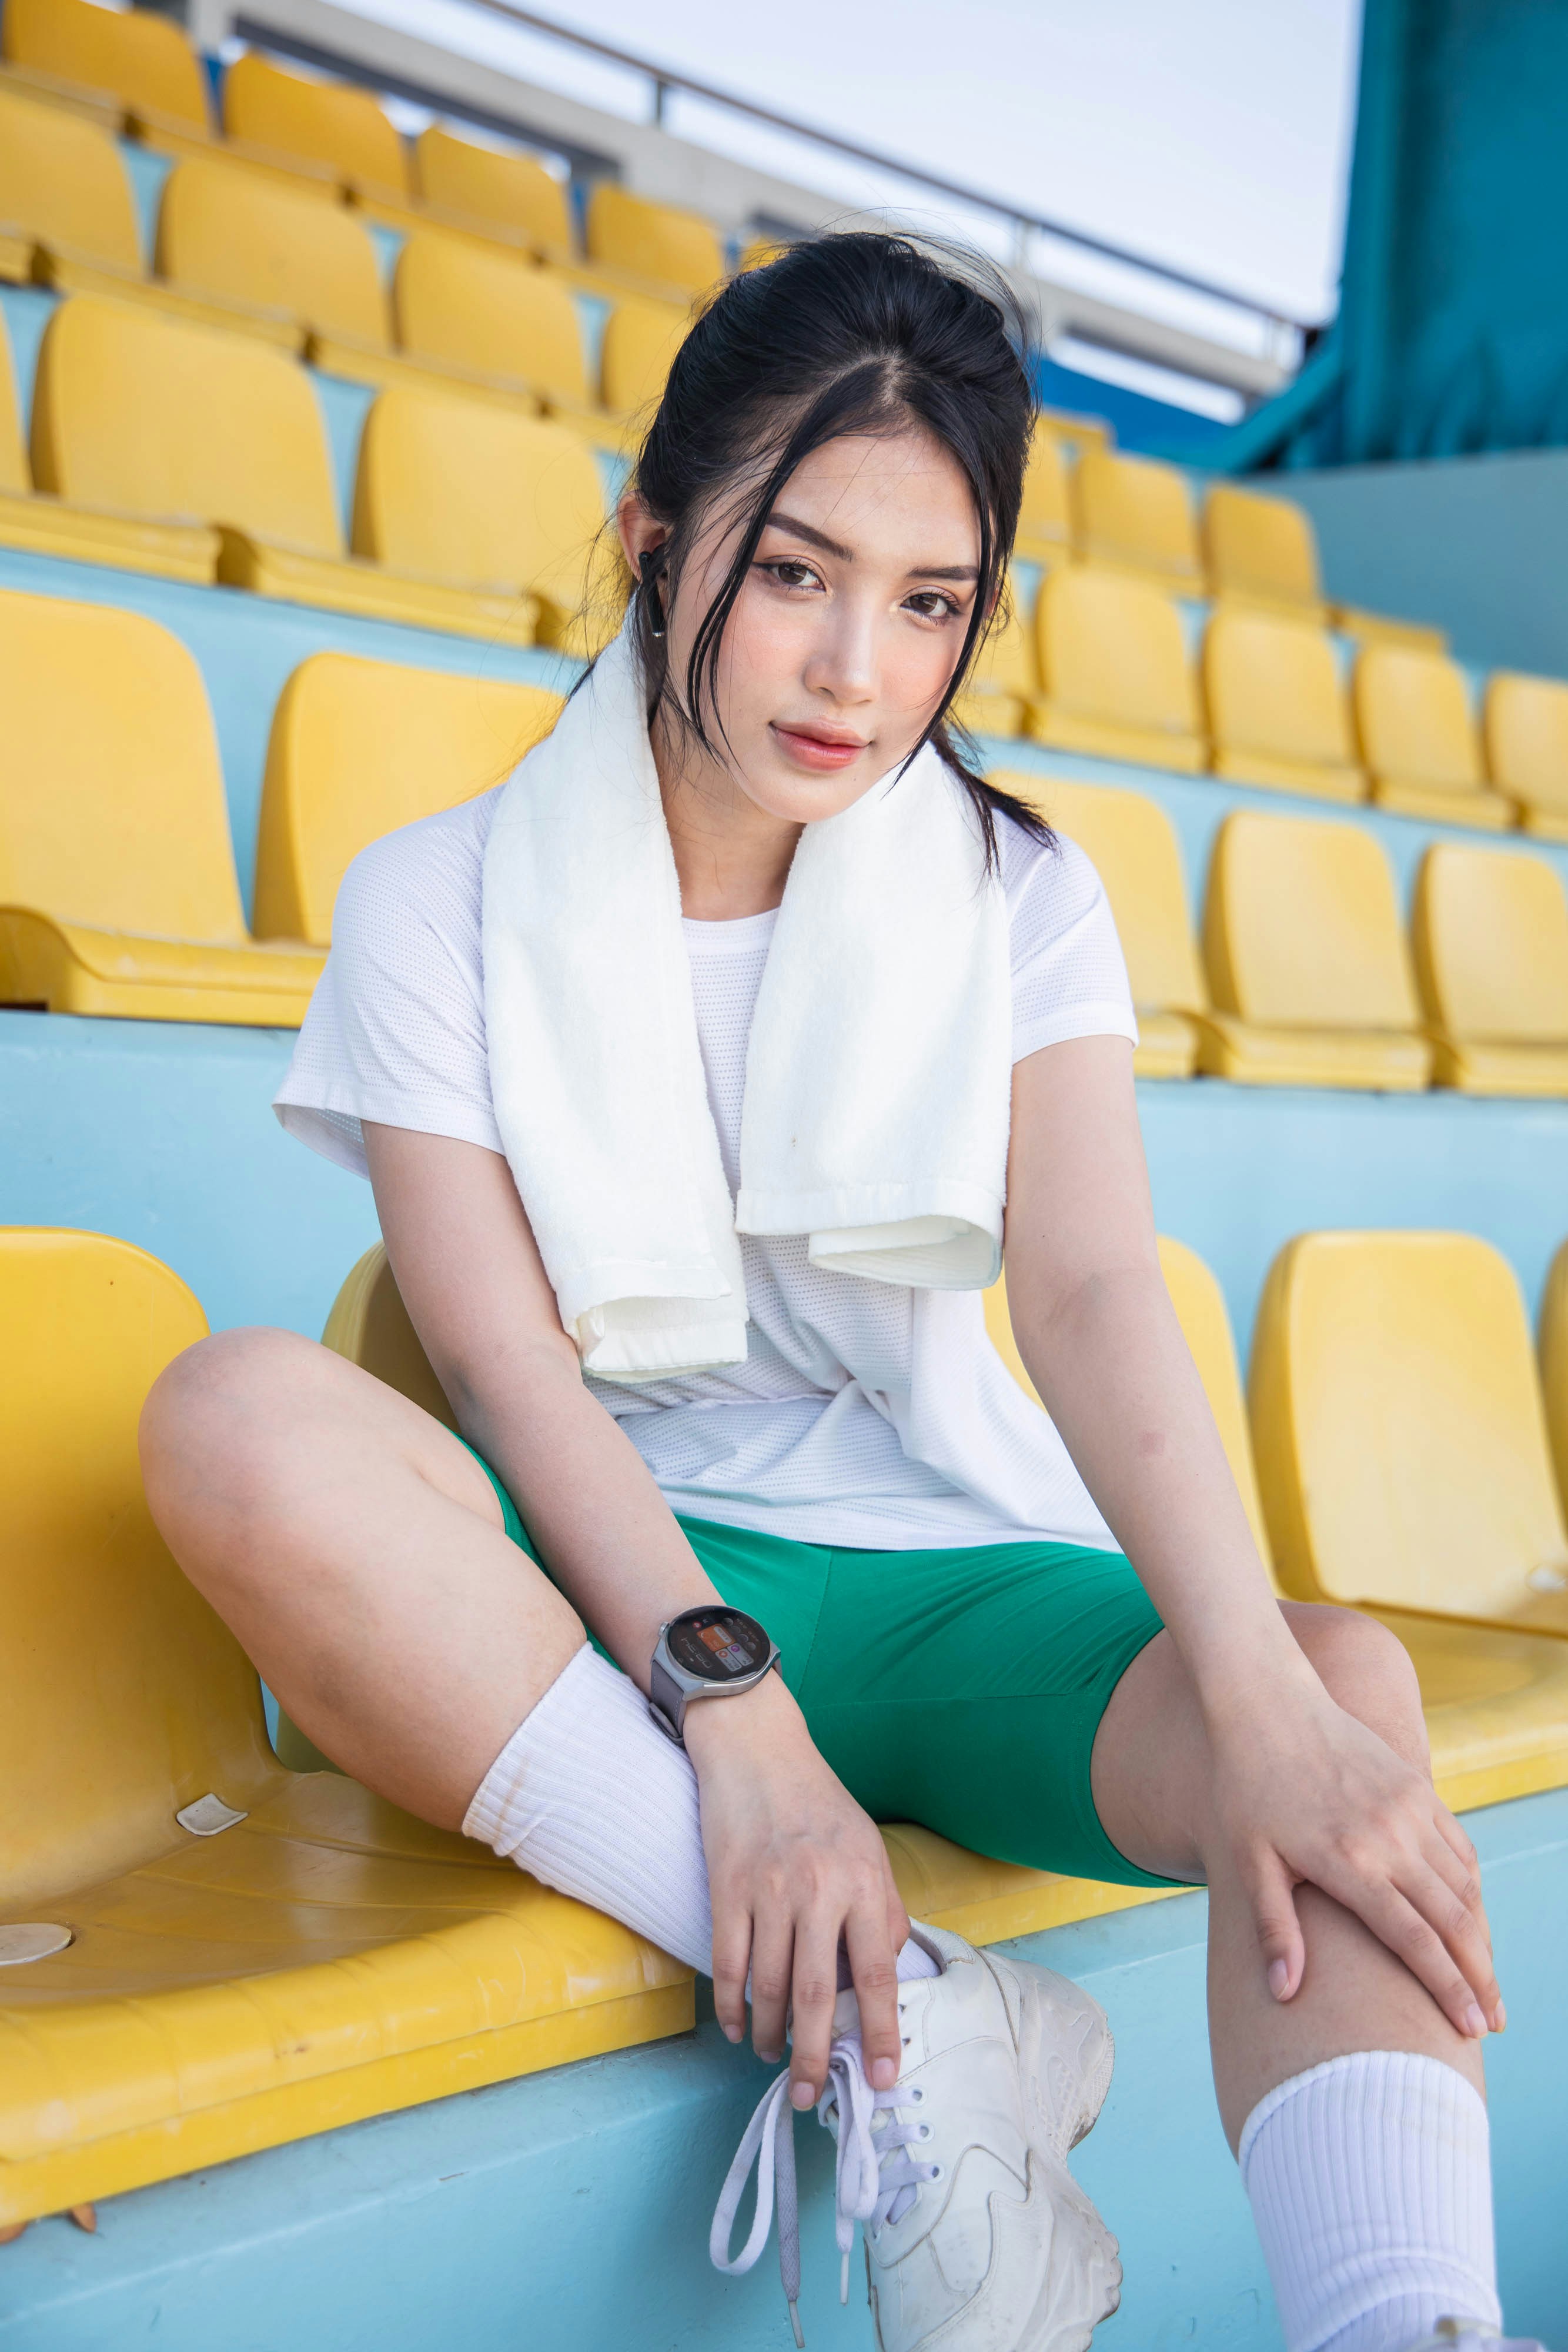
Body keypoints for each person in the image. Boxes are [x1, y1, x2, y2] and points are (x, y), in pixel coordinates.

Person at [141, 234, 1529, 2352]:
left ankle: (1408, 2328)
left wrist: (1260, 1705)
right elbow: (507, 1372)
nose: (853, 672)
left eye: (929, 602)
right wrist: (736, 1716)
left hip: (945, 1579)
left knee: (1334, 1698)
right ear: (655, 538)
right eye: (794, 572)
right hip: (594, 1591)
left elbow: (1088, 1292)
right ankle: (938, 2028)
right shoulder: (437, 899)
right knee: (233, 1419)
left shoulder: (1017, 893)